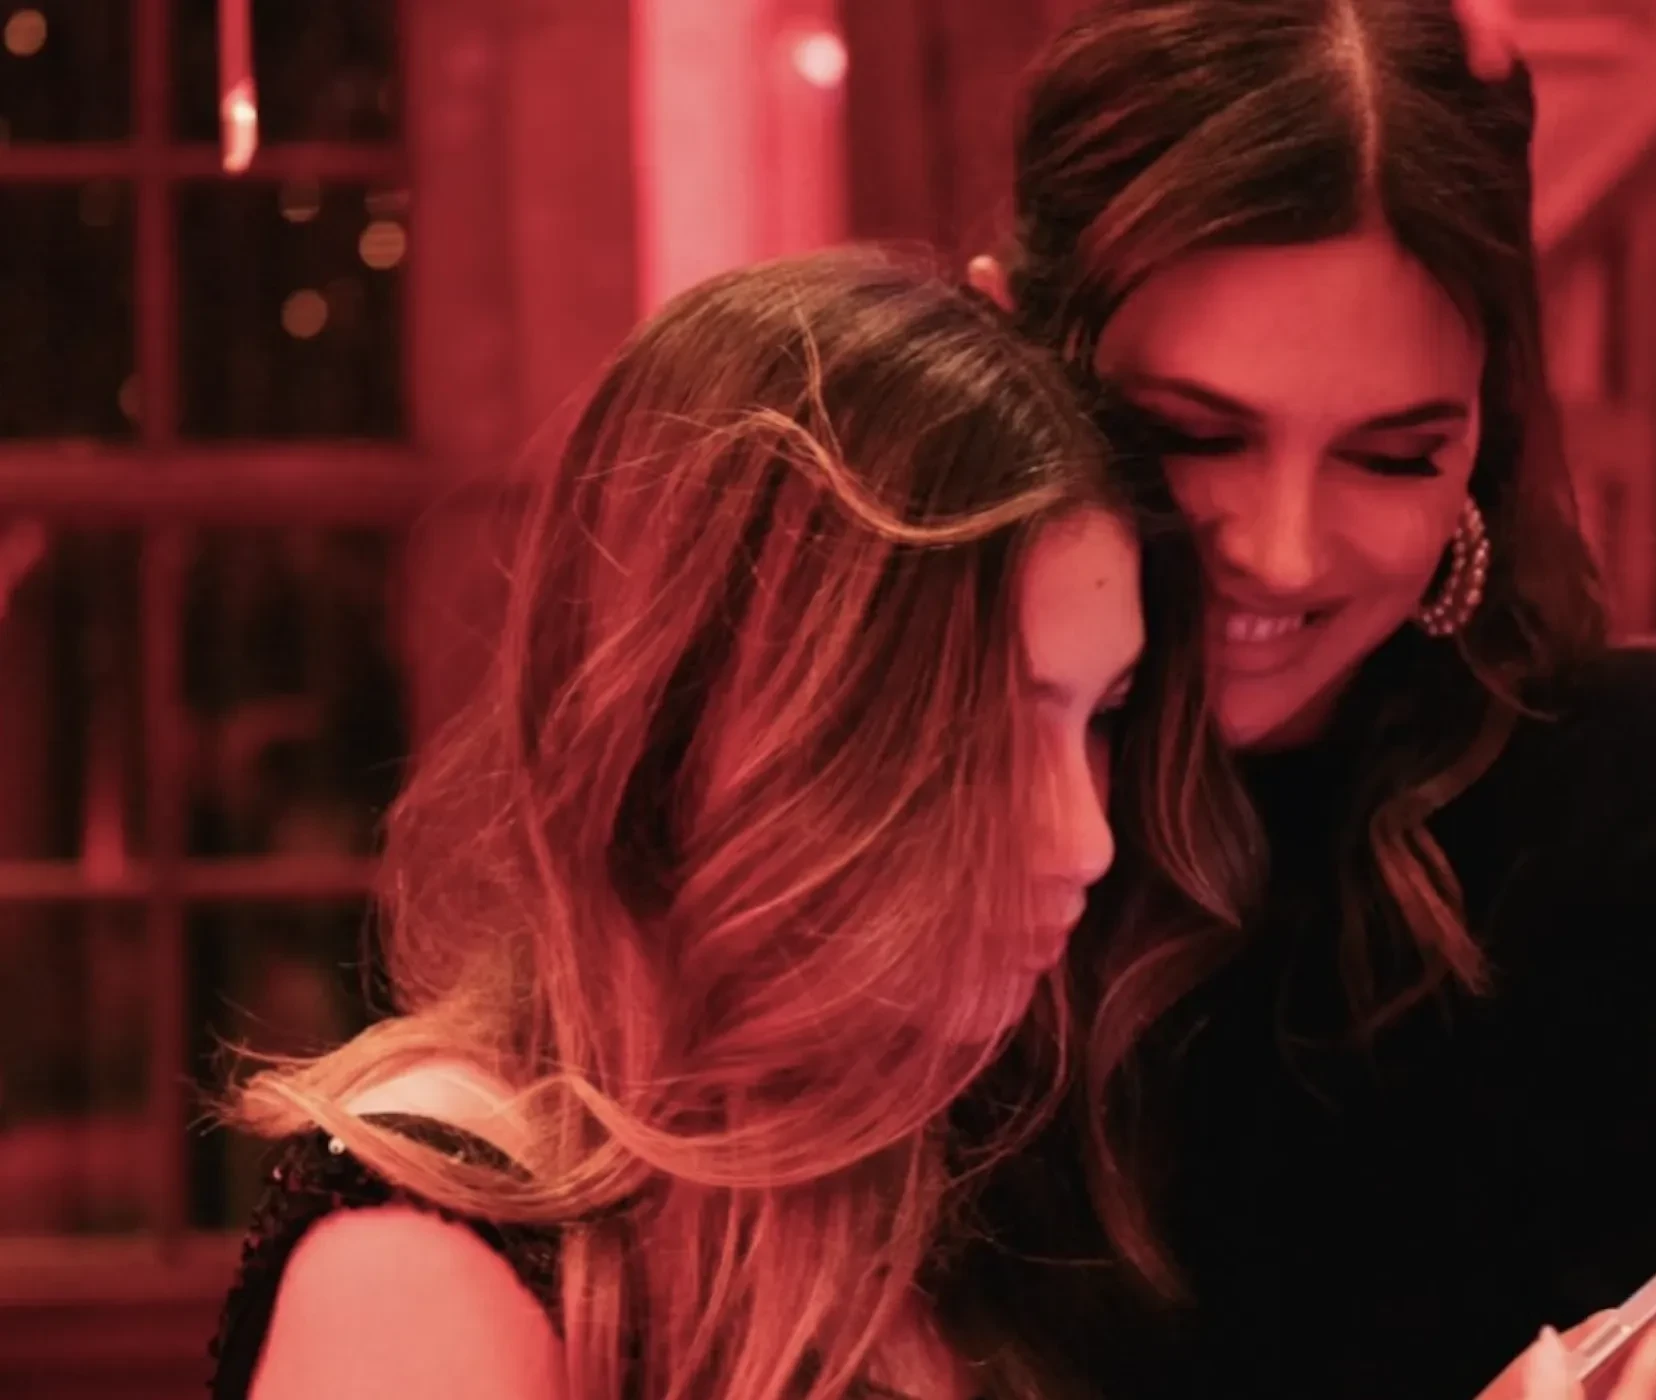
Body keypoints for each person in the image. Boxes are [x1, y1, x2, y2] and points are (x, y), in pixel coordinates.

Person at [947, 2, 1656, 1398]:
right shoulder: (884, 817)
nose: (1281, 552)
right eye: (1190, 435)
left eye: (1391, 456)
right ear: (1005, 352)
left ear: (1483, 433)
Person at [205, 248, 1155, 1400]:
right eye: (988, 728)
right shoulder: (430, 1249)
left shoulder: (951, 1175)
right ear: (733, 719)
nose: (1085, 839)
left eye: (1102, 717)